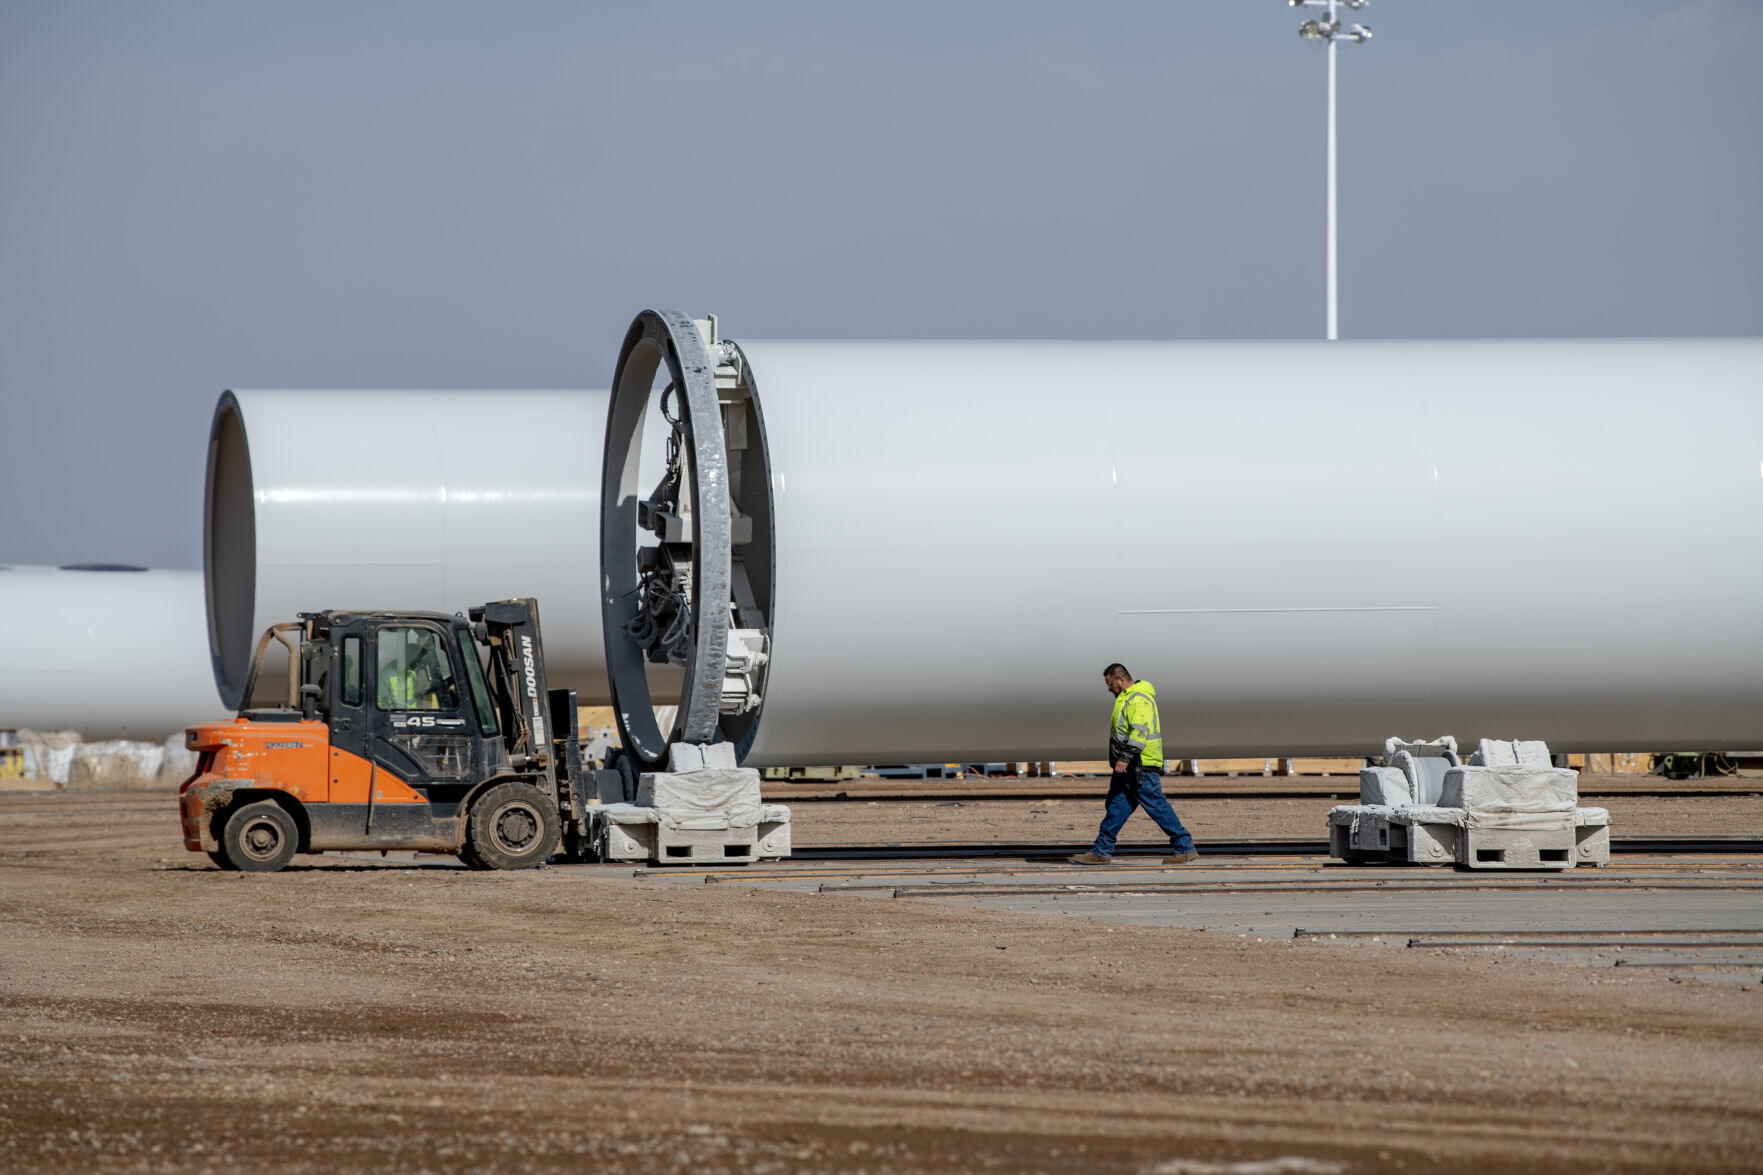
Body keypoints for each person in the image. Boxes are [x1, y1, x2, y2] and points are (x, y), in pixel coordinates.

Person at [1068, 663, 1198, 866]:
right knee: (1116, 807)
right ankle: (1101, 850)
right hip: (1128, 766)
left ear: (1120, 679)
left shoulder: (1138, 699)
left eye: (1110, 684)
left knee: (1157, 806)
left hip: (1139, 765)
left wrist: (1126, 757)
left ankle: (1185, 847)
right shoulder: (1125, 698)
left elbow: (1140, 731)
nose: (1109, 689)